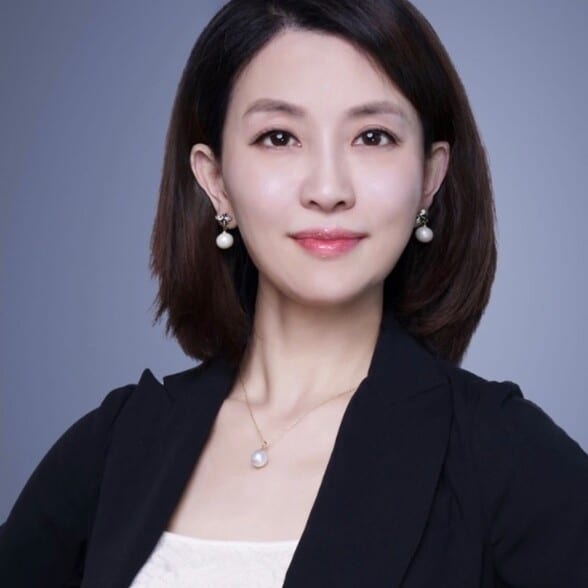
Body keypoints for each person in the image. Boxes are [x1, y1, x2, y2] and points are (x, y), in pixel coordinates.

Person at [1, 0, 587, 586]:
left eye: (373, 136)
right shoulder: (115, 446)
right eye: (279, 137)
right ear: (215, 180)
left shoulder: (503, 455)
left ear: (430, 177)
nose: (327, 189)